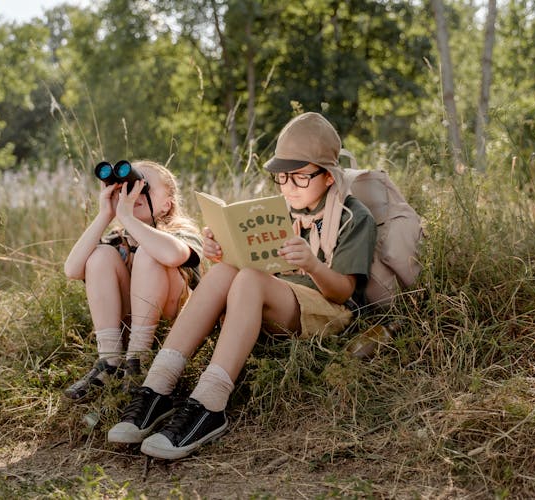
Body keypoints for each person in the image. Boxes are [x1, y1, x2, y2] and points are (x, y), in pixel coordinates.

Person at [107, 112, 377, 460]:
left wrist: (310, 264)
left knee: (248, 278)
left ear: (328, 175)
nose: (288, 187)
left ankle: (210, 404)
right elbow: (256, 267)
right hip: (273, 300)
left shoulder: (353, 216)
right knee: (224, 272)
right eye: (281, 177)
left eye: (300, 177)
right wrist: (222, 251)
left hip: (323, 311)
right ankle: (157, 387)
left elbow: (342, 294)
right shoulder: (280, 210)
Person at [62, 160, 203, 401]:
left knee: (150, 252)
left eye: (143, 186)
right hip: (128, 329)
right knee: (100, 256)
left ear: (167, 205)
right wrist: (106, 214)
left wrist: (127, 217)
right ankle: (110, 361)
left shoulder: (180, 232)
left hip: (172, 328)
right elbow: (73, 270)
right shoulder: (118, 239)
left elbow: (171, 255)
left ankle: (140, 358)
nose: (133, 193)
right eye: (125, 187)